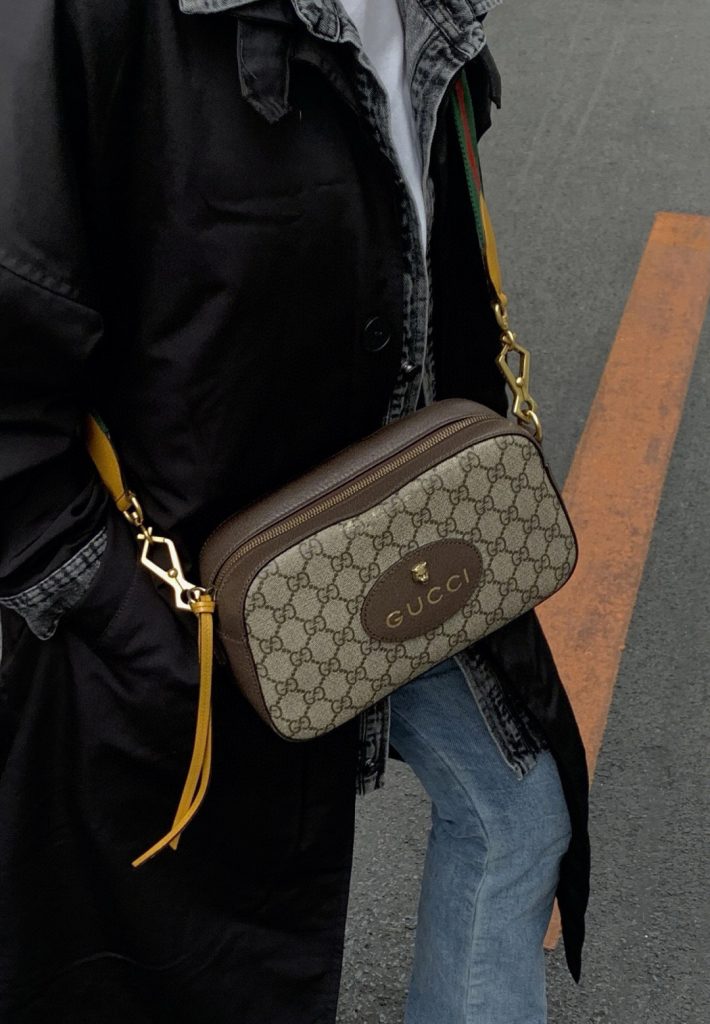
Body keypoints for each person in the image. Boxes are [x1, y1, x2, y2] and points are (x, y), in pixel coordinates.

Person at [0, 2, 590, 1022]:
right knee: (201, 961)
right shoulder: (88, 22)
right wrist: (133, 630)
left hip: (381, 535)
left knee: (516, 809)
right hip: (175, 616)